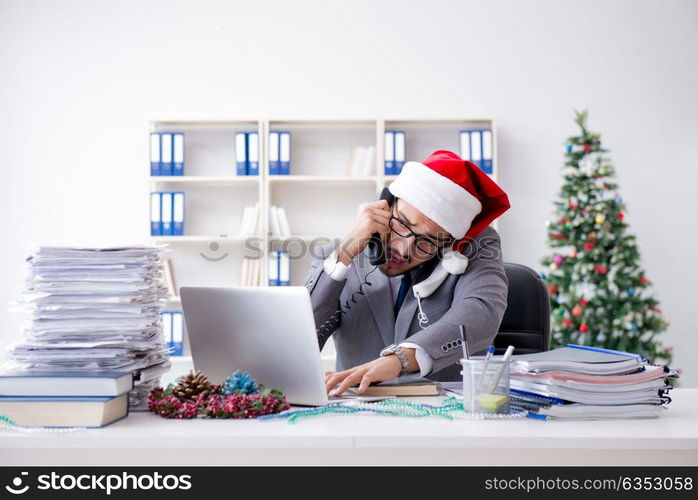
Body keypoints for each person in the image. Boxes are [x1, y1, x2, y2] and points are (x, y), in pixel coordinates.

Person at [303, 150, 511, 396]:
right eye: (402, 223)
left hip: (442, 414)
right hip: (354, 411)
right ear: (386, 205)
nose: (403, 249)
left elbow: (481, 312)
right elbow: (298, 342)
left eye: (427, 241)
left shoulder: (473, 248)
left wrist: (399, 359)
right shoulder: (336, 256)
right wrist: (344, 255)